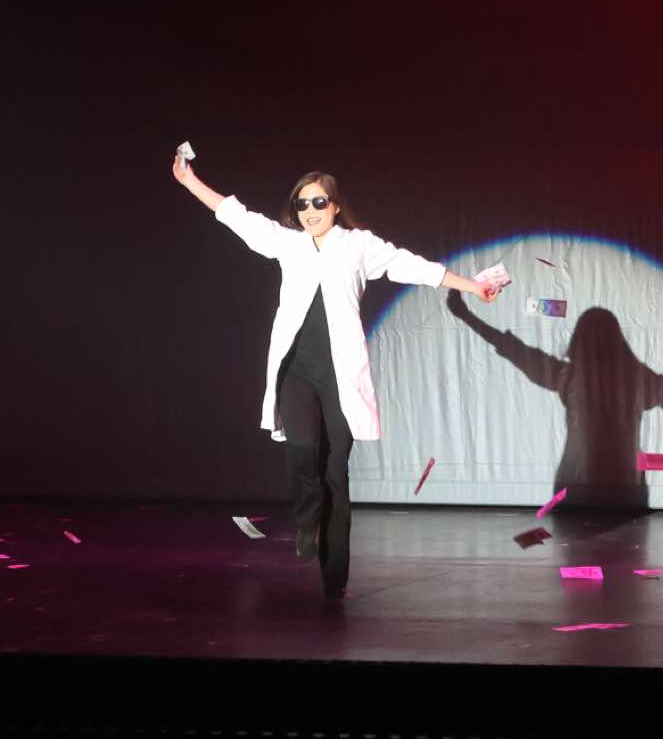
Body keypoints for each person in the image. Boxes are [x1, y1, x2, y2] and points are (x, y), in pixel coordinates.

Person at [174, 152, 501, 599]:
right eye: (302, 203)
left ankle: (335, 575)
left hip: (340, 376)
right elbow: (237, 217)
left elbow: (413, 266)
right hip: (296, 371)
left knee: (334, 474)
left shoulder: (358, 245)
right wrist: (190, 182)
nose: (310, 211)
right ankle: (307, 523)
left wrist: (474, 286)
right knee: (302, 450)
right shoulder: (288, 243)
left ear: (335, 206)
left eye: (318, 202)